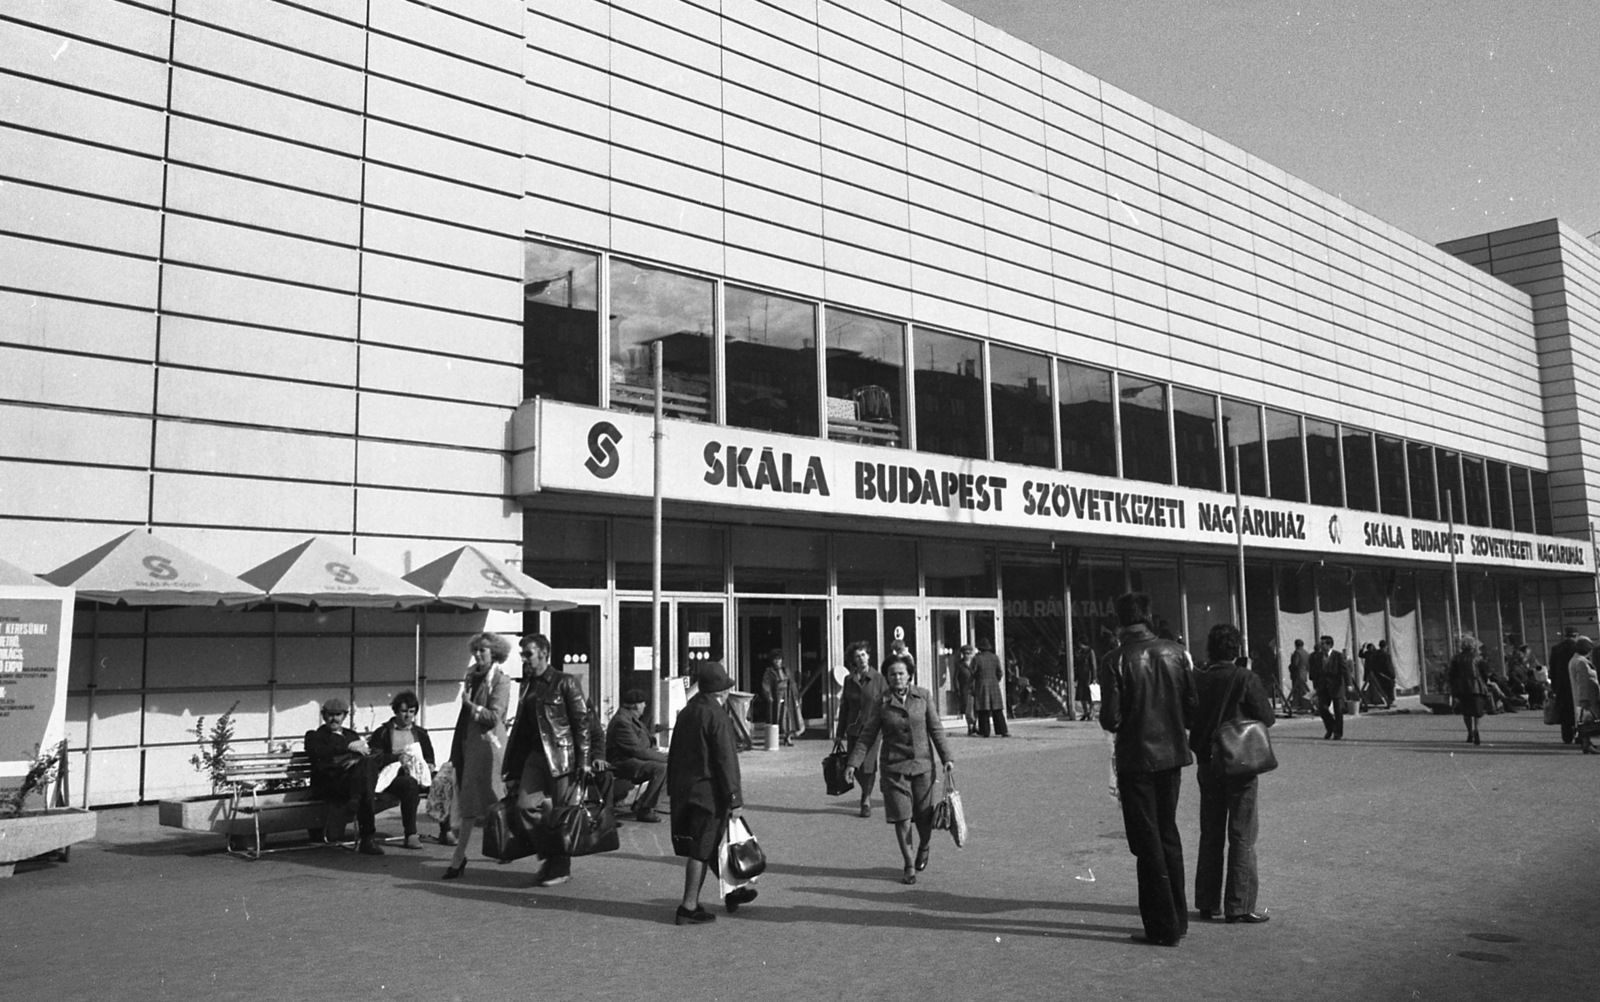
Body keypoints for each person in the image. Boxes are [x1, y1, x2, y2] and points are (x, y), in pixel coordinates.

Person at [1099, 592, 1198, 948]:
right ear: (1149, 616)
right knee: (1168, 831)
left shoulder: (1115, 659)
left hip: (1136, 758)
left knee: (1147, 840)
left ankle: (1162, 925)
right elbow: (1192, 706)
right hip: (1172, 755)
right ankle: (1179, 918)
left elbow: (1110, 718)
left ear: (1121, 621)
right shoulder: (1176, 652)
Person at [1189, 624, 1275, 924]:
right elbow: (1267, 717)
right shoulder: (1245, 678)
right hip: (1240, 764)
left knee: (1210, 833)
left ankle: (1206, 902)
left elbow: (1188, 717)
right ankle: (1239, 905)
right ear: (1237, 650)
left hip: (1207, 763)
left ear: (1210, 649)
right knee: (1242, 834)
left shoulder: (1197, 679)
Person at [843, 654, 954, 885]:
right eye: (892, 674)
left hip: (922, 767)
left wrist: (947, 758)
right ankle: (909, 864)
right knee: (902, 818)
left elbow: (936, 730)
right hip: (894, 769)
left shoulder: (923, 696)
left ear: (909, 674)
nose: (897, 677)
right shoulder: (881, 702)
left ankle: (924, 845)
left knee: (923, 817)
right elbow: (867, 735)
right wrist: (853, 763)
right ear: (887, 677)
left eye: (901, 673)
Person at [503, 632, 590, 887]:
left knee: (562, 814)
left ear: (543, 654)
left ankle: (560, 866)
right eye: (522, 655)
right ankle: (549, 854)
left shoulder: (566, 682)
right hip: (535, 756)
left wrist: (584, 760)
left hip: (562, 757)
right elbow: (522, 727)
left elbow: (581, 722)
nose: (524, 659)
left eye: (528, 654)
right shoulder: (527, 685)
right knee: (525, 806)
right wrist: (513, 766)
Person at [668, 661, 749, 924]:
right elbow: (726, 760)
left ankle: (734, 891)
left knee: (711, 844)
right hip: (709, 794)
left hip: (686, 790)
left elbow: (674, 753)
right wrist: (734, 797)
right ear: (723, 692)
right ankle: (688, 907)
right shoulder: (717, 716)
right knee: (701, 849)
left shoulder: (687, 712)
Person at [442, 632, 512, 876]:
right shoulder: (471, 676)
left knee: (495, 799)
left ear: (495, 653)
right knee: (470, 801)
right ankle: (458, 858)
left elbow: (494, 716)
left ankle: (506, 845)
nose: (478, 654)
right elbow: (464, 717)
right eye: (476, 650)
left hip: (490, 746)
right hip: (470, 744)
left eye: (483, 650)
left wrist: (471, 706)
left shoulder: (502, 680)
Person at [304, 696, 385, 855]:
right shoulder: (315, 735)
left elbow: (366, 755)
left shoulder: (351, 734)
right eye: (330, 714)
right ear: (323, 715)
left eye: (338, 715)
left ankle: (356, 798)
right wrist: (347, 748)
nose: (334, 718)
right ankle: (367, 839)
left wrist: (362, 755)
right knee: (365, 789)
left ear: (345, 716)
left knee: (367, 765)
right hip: (330, 784)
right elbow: (318, 753)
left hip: (350, 783)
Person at [367, 690, 436, 849]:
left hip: (417, 772)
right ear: (396, 711)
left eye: (412, 712)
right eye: (404, 711)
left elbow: (429, 756)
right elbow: (375, 758)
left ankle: (446, 829)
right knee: (409, 784)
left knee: (442, 780)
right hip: (392, 777)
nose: (408, 716)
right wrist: (396, 759)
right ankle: (410, 834)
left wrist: (430, 764)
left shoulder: (420, 733)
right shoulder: (383, 732)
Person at [838, 640, 886, 818]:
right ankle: (864, 791)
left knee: (868, 765)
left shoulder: (879, 679)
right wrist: (838, 733)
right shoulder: (849, 679)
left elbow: (886, 703)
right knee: (853, 765)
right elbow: (844, 707)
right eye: (858, 656)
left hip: (873, 728)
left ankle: (866, 799)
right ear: (853, 659)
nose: (862, 658)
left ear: (869, 656)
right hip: (853, 728)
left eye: (864, 654)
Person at [607, 688, 667, 823]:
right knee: (662, 768)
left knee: (668, 767)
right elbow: (637, 750)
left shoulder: (632, 719)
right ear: (635, 705)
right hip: (622, 761)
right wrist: (665, 758)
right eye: (643, 703)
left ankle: (642, 804)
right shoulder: (622, 721)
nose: (645, 706)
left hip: (633, 759)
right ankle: (645, 809)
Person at [1448, 637, 1489, 746]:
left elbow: (1451, 674)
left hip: (1462, 687)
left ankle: (1469, 732)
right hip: (1477, 686)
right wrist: (1484, 683)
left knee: (1466, 711)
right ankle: (1476, 729)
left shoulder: (1456, 658)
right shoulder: (1478, 657)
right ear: (1473, 646)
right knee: (1477, 710)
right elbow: (1484, 672)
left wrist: (1453, 687)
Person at [1311, 636, 1352, 740]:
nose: (1321, 646)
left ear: (1329, 645)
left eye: (1323, 644)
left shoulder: (1338, 656)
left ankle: (1338, 733)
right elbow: (1316, 672)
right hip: (1324, 687)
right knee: (1322, 708)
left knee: (1338, 710)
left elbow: (1345, 671)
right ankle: (1330, 727)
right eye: (1321, 643)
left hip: (1336, 686)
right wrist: (1316, 687)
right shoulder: (1318, 656)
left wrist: (1349, 684)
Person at [969, 637, 1009, 737]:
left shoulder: (977, 658)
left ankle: (985, 731)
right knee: (997, 709)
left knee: (983, 709)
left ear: (979, 648)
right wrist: (995, 681)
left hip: (981, 685)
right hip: (994, 685)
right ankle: (1002, 730)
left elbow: (972, 672)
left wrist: (971, 684)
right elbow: (1000, 672)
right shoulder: (995, 657)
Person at [761, 649, 801, 747]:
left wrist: (795, 694)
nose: (777, 661)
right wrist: (768, 695)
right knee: (778, 716)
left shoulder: (786, 669)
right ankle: (775, 738)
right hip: (776, 697)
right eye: (775, 659)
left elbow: (791, 682)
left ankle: (788, 737)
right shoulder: (769, 671)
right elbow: (765, 684)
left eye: (779, 659)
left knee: (789, 716)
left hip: (788, 695)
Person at [1566, 637, 1600, 755]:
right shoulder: (1581, 662)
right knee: (1589, 721)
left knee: (1585, 722)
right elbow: (1583, 681)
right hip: (1588, 696)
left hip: (1580, 696)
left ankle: (1587, 744)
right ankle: (1587, 744)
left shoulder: (1574, 660)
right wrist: (1584, 698)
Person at [1547, 627, 1579, 745]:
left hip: (1561, 686)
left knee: (1564, 710)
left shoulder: (1556, 649)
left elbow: (1552, 670)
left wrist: (1554, 686)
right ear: (1576, 635)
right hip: (1576, 684)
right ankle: (1579, 734)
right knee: (1577, 711)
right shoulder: (1578, 648)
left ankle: (1566, 736)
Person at [1286, 639, 1312, 717]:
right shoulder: (1306, 653)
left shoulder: (1297, 653)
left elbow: (1295, 664)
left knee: (1298, 690)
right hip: (1304, 674)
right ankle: (1303, 705)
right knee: (1303, 690)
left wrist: (1290, 666)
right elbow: (1308, 665)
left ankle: (1301, 704)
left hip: (1297, 674)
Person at [1074, 639, 1098, 721]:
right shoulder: (1079, 652)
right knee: (1081, 695)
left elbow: (1093, 665)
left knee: (1090, 695)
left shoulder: (1090, 652)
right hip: (1081, 676)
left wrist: (1094, 677)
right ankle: (1085, 712)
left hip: (1089, 676)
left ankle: (1091, 712)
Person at [956, 644, 978, 735]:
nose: (967, 655)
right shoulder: (960, 664)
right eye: (965, 653)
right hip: (965, 689)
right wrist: (957, 689)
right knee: (967, 710)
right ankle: (970, 726)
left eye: (969, 653)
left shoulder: (975, 663)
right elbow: (956, 677)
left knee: (976, 708)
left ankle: (975, 725)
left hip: (975, 688)